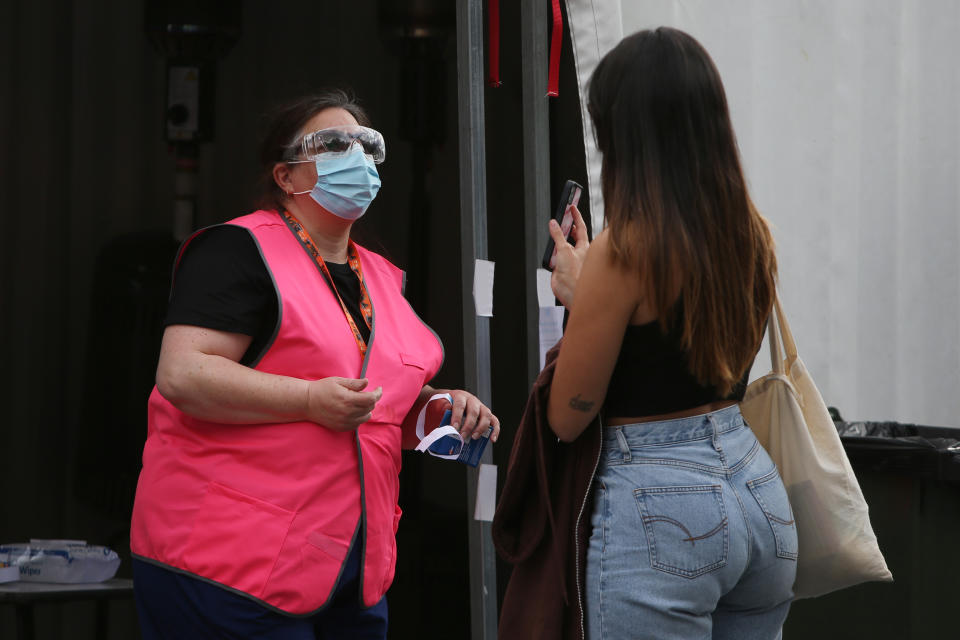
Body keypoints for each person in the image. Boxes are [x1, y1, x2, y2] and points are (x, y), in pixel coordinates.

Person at [129, 89, 499, 639]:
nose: (355, 156)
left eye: (365, 145)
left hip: (346, 564)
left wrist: (439, 409)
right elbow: (184, 375)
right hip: (228, 564)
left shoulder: (380, 277)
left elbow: (368, 400)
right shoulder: (239, 249)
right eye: (332, 143)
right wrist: (308, 400)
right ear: (285, 176)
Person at [544, 28, 795, 639]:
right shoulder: (752, 234)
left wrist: (582, 297)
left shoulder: (622, 252)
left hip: (660, 507)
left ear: (622, 135)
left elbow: (567, 417)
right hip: (758, 491)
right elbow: (697, 346)